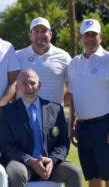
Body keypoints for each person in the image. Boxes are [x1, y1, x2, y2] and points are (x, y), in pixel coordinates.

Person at [0, 69, 82, 187]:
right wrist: (31, 161)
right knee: (16, 173)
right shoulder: (7, 112)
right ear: (17, 87)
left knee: (74, 172)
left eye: (32, 83)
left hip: (50, 164)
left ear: (39, 85)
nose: (29, 87)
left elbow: (63, 142)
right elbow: (5, 145)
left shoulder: (55, 109)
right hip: (22, 163)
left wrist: (52, 160)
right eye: (24, 83)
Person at [68, 19, 109, 187]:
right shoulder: (74, 63)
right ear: (81, 38)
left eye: (94, 35)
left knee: (107, 175)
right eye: (86, 35)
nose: (90, 39)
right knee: (92, 176)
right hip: (83, 127)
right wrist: (72, 125)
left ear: (101, 37)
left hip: (104, 125)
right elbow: (72, 96)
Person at [16, 17, 71, 105]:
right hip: (23, 116)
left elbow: (73, 89)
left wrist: (56, 106)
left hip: (54, 117)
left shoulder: (64, 57)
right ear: (30, 35)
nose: (40, 35)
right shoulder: (17, 56)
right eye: (36, 31)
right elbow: (11, 87)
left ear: (50, 34)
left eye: (44, 31)